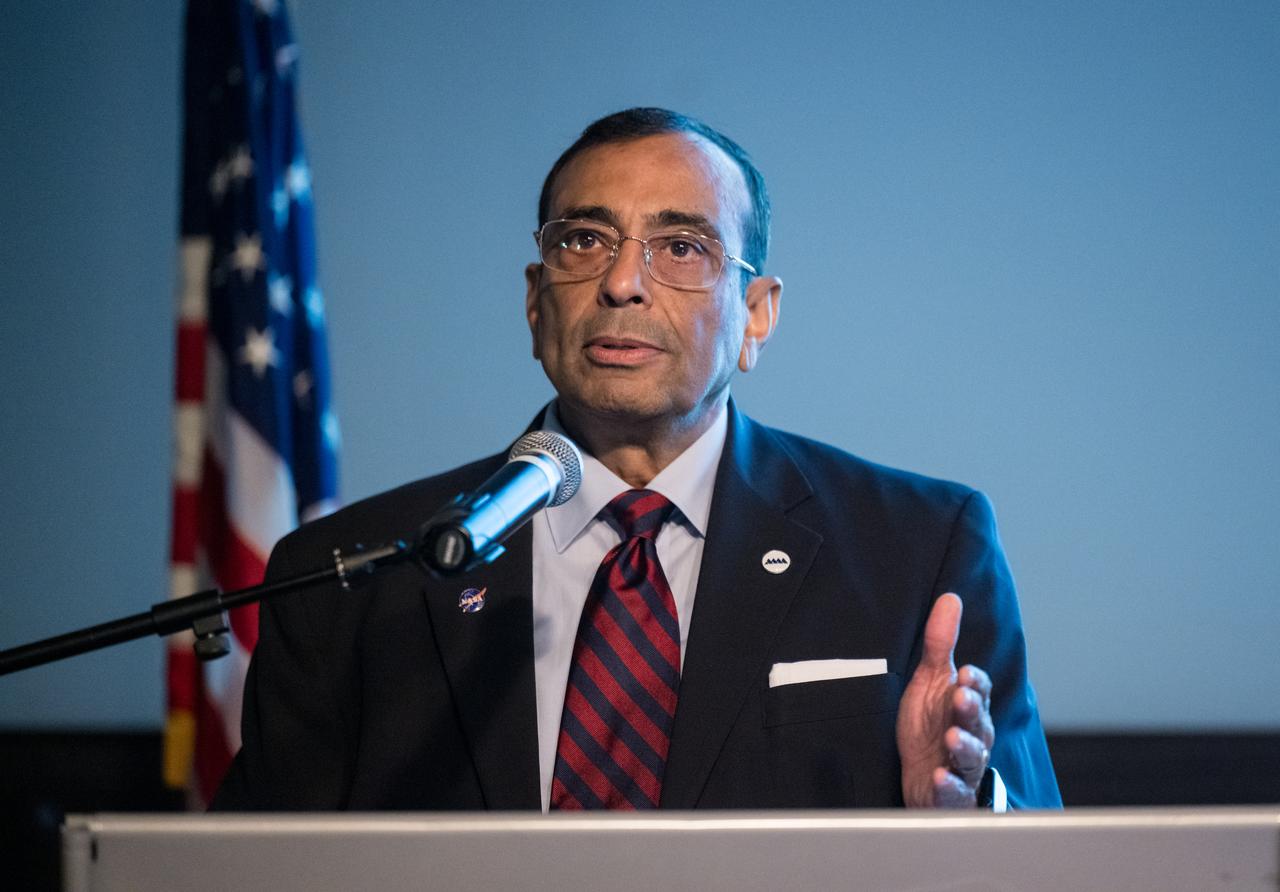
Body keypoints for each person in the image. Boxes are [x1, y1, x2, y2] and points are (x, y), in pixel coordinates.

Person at [212, 107, 1061, 812]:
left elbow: (1046, 855)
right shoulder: (354, 577)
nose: (622, 282)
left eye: (681, 247)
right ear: (537, 302)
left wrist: (957, 818)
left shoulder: (918, 547)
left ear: (756, 314)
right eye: (584, 241)